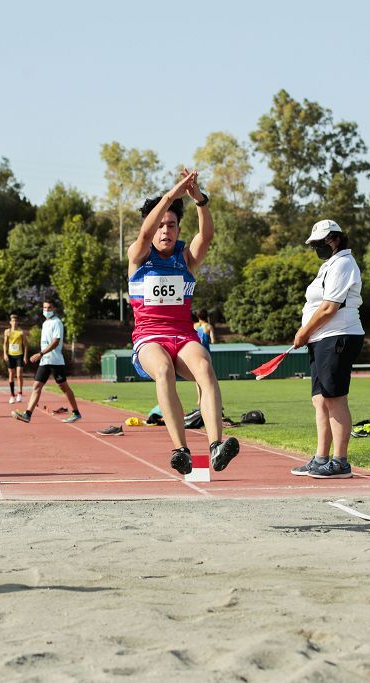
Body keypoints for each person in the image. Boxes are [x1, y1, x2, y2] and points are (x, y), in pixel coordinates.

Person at [125, 168, 239, 475]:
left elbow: (208, 235)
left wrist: (200, 200)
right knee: (163, 370)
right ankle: (181, 449)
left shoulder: (186, 259)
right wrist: (172, 195)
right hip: (149, 339)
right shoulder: (138, 255)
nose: (165, 231)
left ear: (178, 228)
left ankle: (216, 446)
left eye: (172, 225)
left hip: (182, 335)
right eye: (161, 225)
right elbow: (146, 234)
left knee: (204, 368)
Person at [289, 219, 365, 479]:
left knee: (334, 398)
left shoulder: (343, 262)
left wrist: (303, 331)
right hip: (322, 338)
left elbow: (329, 307)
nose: (317, 248)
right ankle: (321, 458)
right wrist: (309, 334)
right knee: (320, 400)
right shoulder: (329, 265)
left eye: (320, 243)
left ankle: (340, 461)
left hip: (338, 336)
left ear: (335, 239)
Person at [14, 300, 82, 423]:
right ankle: (28, 414)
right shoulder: (45, 323)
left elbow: (56, 342)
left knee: (63, 386)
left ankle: (76, 412)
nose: (46, 310)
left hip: (55, 361)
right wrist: (42, 356)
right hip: (45, 361)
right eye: (44, 308)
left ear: (54, 308)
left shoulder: (57, 323)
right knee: (36, 386)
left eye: (49, 308)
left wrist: (40, 353)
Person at [2, 313, 28, 404]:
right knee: (11, 374)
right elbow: (5, 344)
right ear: (10, 322)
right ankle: (12, 395)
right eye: (13, 321)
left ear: (18, 322)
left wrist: (25, 356)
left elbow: (25, 345)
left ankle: (19, 393)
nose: (14, 322)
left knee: (19, 374)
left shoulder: (21, 332)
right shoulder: (7, 332)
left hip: (19, 355)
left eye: (16, 321)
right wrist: (5, 354)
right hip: (10, 355)